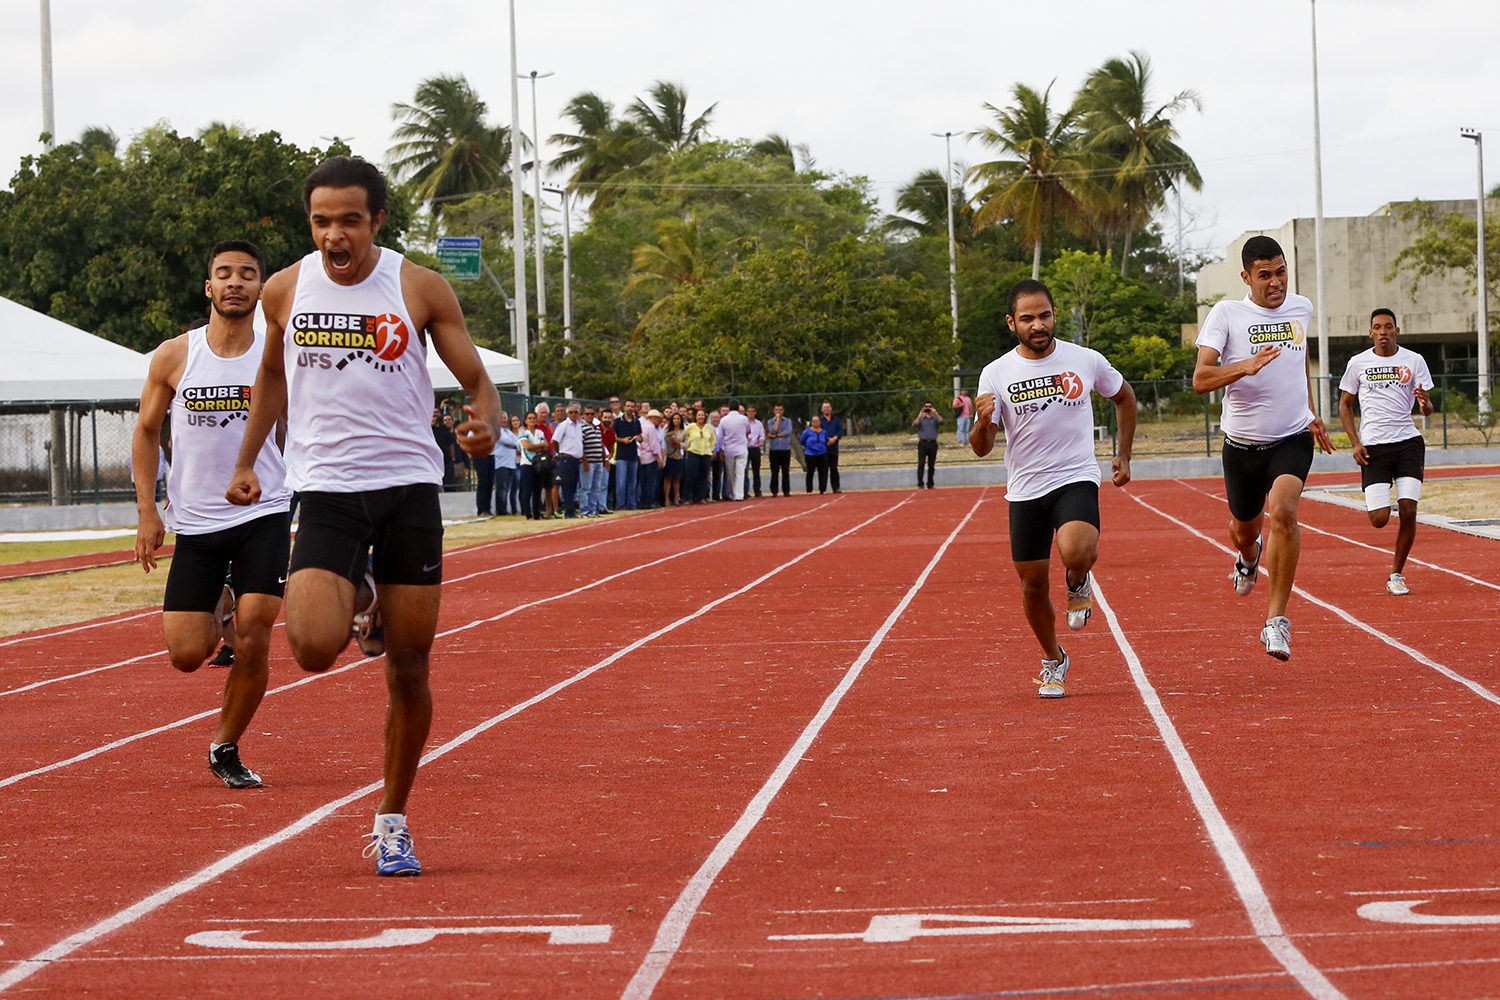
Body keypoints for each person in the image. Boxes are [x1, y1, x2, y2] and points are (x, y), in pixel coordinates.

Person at [226, 156, 503, 876]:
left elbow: (475, 376)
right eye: (322, 221)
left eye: (350, 220)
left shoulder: (417, 286)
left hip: (409, 487)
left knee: (409, 666)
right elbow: (272, 377)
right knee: (313, 649)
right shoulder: (284, 290)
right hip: (327, 489)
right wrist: (248, 459)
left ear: (376, 220)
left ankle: (393, 818)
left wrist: (488, 421)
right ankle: (365, 592)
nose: (334, 235)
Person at [132, 239, 293, 790]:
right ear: (209, 287)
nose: (235, 283)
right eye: (224, 274)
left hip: (263, 511)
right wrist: (147, 511)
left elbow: (303, 426)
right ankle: (221, 598)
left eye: (247, 275)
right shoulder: (175, 355)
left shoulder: (279, 355)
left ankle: (226, 745)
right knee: (186, 653)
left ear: (261, 288)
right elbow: (147, 431)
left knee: (255, 634)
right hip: (196, 523)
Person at [973, 278, 1137, 699]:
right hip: (1025, 488)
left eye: (1044, 315)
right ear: (1013, 323)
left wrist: (1124, 454)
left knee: (1077, 550)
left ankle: (1078, 578)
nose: (1038, 325)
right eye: (1027, 318)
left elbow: (1125, 397)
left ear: (1054, 316)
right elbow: (982, 448)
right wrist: (980, 422)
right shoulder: (995, 373)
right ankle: (1053, 660)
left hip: (1075, 475)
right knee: (1032, 587)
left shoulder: (1084, 359)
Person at [1193, 234, 1335, 661]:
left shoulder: (1301, 307)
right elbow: (1201, 378)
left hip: (1291, 438)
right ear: (1246, 277)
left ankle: (1276, 622)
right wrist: (1244, 366)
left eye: (1281, 272)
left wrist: (1310, 411)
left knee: (1286, 511)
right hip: (1242, 446)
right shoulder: (1227, 314)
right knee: (1244, 531)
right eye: (1265, 275)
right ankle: (1248, 558)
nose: (1276, 283)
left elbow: (1299, 359)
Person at [1338, 308, 1435, 595]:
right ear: (1371, 333)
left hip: (1408, 442)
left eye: (1388, 327)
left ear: (1397, 331)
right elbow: (1345, 404)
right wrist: (1355, 442)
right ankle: (1380, 492)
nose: (1383, 332)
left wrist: (1425, 405)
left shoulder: (1414, 360)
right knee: (1379, 519)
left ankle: (1396, 574)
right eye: (1377, 327)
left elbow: (1428, 408)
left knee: (1408, 509)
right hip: (1374, 446)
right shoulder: (1358, 363)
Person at [553, 401, 585, 518]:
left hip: (576, 459)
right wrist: (560, 452)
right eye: (571, 412)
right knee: (567, 486)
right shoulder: (563, 426)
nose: (573, 414)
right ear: (567, 413)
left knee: (573, 486)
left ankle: (571, 508)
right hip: (567, 458)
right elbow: (554, 441)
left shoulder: (579, 425)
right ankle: (569, 511)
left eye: (575, 412)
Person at [517, 410, 548, 519]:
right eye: (529, 418)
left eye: (534, 418)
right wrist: (539, 445)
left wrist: (537, 446)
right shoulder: (523, 432)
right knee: (527, 490)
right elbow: (527, 446)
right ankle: (527, 514)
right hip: (527, 463)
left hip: (539, 464)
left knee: (537, 490)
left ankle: (537, 513)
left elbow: (545, 447)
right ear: (525, 421)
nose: (532, 420)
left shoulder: (540, 433)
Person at [718, 400, 751, 501]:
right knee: (740, 472)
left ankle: (732, 494)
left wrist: (720, 449)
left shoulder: (724, 420)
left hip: (729, 449)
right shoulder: (744, 419)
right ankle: (739, 495)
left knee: (730, 473)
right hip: (741, 448)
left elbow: (720, 436)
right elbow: (748, 431)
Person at [580, 404, 608, 517]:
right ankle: (584, 510)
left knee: (596, 488)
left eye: (592, 414)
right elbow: (580, 446)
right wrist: (585, 461)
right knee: (586, 487)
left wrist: (604, 458)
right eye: (587, 414)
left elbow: (600, 444)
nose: (590, 416)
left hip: (598, 461)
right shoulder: (582, 428)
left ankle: (592, 510)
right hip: (589, 461)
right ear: (583, 415)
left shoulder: (597, 428)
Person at [614, 400, 642, 511]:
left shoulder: (636, 422)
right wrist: (622, 440)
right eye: (628, 406)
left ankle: (632, 503)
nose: (630, 408)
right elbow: (613, 437)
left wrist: (639, 438)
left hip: (633, 455)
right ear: (624, 407)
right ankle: (620, 504)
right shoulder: (618, 421)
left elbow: (640, 436)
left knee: (632, 482)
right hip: (622, 455)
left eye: (632, 406)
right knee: (621, 482)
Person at [685, 408, 715, 504]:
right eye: (699, 415)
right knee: (691, 476)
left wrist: (710, 449)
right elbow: (683, 436)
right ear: (695, 417)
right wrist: (687, 447)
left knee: (703, 477)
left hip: (705, 454)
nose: (701, 417)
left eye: (702, 415)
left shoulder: (708, 427)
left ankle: (700, 497)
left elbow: (713, 439)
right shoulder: (690, 427)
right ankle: (687, 498)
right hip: (693, 453)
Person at [636, 407, 665, 509]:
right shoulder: (651, 428)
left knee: (643, 481)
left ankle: (642, 501)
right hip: (650, 458)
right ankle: (649, 502)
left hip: (642, 456)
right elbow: (654, 444)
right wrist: (659, 458)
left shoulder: (643, 426)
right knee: (651, 481)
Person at [914, 400, 944, 489]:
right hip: (923, 443)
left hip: (933, 443)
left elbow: (942, 422)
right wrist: (920, 415)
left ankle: (930, 483)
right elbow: (915, 424)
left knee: (931, 465)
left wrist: (936, 413)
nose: (928, 408)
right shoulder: (922, 418)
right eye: (926, 407)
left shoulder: (935, 418)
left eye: (929, 406)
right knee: (921, 464)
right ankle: (920, 483)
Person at [494, 413, 519, 516]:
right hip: (501, 463)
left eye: (505, 418)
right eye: (501, 418)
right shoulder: (496, 431)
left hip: (511, 463)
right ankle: (501, 510)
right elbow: (505, 440)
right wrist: (513, 444)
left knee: (508, 488)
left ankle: (506, 509)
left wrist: (513, 445)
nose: (504, 420)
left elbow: (517, 442)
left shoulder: (508, 431)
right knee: (501, 488)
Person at [766, 403, 793, 497]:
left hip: (785, 449)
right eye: (777, 410)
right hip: (774, 449)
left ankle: (786, 491)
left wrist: (776, 436)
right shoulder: (770, 421)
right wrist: (777, 420)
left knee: (785, 471)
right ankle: (774, 491)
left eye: (780, 410)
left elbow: (787, 432)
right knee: (774, 471)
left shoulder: (788, 421)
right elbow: (773, 430)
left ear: (783, 411)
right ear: (774, 411)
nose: (778, 412)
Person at [663, 411, 687, 506]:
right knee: (668, 478)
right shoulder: (666, 430)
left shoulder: (683, 432)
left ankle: (676, 498)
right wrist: (669, 434)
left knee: (677, 479)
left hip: (678, 456)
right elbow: (662, 439)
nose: (676, 420)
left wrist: (679, 443)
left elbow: (687, 444)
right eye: (674, 419)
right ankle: (667, 499)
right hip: (668, 456)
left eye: (678, 419)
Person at [820, 401, 844, 493]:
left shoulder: (836, 420)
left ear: (831, 408)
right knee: (823, 468)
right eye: (824, 407)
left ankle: (836, 488)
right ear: (822, 409)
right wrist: (826, 440)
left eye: (828, 407)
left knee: (834, 468)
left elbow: (840, 431)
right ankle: (823, 489)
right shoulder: (820, 420)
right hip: (823, 447)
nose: (826, 408)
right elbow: (818, 431)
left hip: (834, 447)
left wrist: (834, 439)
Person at [801, 416, 829, 493]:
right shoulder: (807, 432)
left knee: (822, 471)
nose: (815, 422)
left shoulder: (824, 432)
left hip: (822, 453)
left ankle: (823, 489)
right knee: (810, 471)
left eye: (817, 421)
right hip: (810, 454)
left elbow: (826, 440)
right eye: (813, 421)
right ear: (811, 422)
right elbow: (802, 441)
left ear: (820, 422)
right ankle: (809, 490)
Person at [745, 405, 765, 497]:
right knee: (745, 470)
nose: (751, 413)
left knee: (756, 471)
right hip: (745, 448)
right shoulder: (744, 423)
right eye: (749, 411)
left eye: (753, 411)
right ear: (746, 412)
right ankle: (745, 491)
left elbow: (762, 434)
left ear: (755, 412)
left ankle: (757, 490)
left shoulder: (759, 424)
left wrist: (761, 440)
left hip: (755, 448)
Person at [709, 411, 726, 500]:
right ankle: (706, 495)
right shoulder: (708, 428)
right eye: (713, 417)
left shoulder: (722, 428)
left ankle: (716, 495)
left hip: (719, 452)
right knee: (707, 475)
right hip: (709, 452)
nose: (715, 419)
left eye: (717, 417)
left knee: (717, 474)